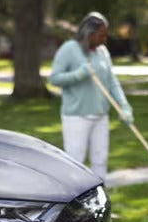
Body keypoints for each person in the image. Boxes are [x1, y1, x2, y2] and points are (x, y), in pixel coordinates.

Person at [49, 12, 133, 181]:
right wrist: (78, 75)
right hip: (77, 117)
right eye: (101, 35)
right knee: (75, 162)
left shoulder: (102, 51)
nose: (104, 39)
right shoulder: (69, 49)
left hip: (100, 115)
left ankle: (100, 199)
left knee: (100, 160)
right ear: (89, 34)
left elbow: (112, 81)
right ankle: (74, 201)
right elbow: (54, 79)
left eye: (105, 35)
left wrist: (124, 106)